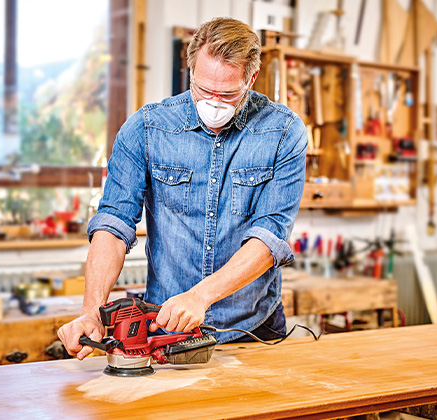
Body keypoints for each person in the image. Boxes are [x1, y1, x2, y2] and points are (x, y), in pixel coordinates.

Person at [58, 17, 307, 359]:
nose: (214, 102)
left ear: (251, 78)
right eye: (204, 89)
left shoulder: (283, 132)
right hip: (167, 329)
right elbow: (114, 224)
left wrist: (201, 295)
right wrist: (91, 310)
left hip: (251, 327)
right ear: (190, 70)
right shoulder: (146, 129)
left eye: (229, 93)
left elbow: (269, 237)